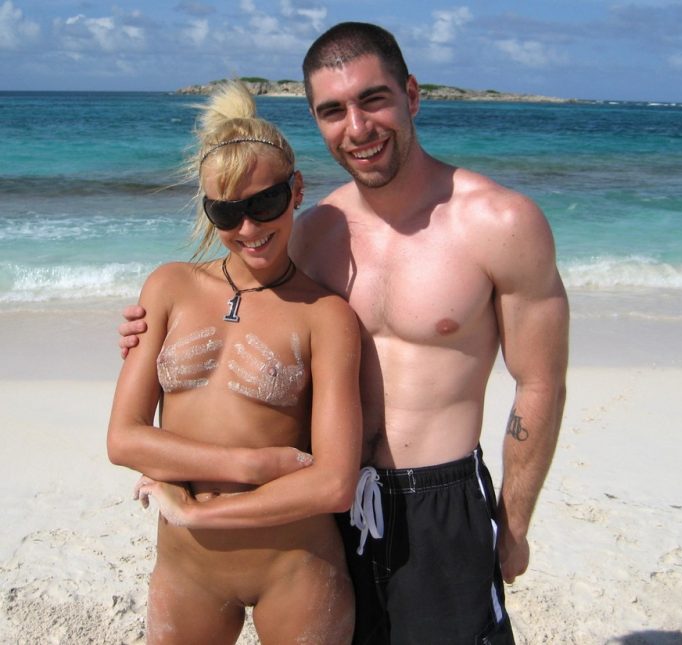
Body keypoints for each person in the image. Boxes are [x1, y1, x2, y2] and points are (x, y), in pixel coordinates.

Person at [120, 22, 569, 645]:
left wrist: (513, 525)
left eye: (373, 100)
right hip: (321, 506)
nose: (357, 128)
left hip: (438, 501)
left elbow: (539, 382)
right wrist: (148, 335)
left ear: (412, 95)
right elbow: (242, 320)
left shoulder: (500, 223)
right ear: (316, 120)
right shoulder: (312, 232)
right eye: (333, 111)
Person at [107, 79, 362, 645]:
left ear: (297, 189)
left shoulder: (325, 315)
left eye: (264, 203)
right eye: (225, 213)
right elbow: (123, 440)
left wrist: (200, 512)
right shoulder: (169, 287)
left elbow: (334, 484)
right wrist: (254, 464)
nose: (248, 228)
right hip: (187, 570)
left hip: (295, 566)